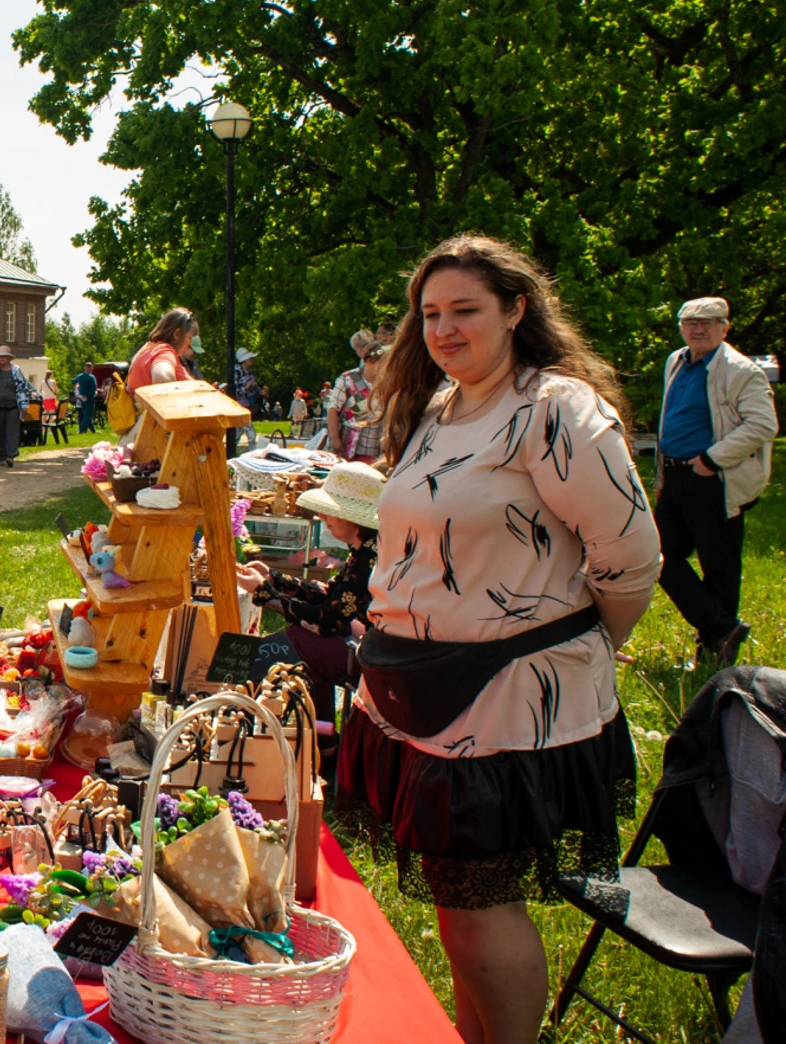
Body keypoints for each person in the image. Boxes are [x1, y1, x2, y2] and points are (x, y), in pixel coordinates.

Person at [339, 234, 660, 1044]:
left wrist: (574, 648)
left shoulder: (554, 408)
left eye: (465, 311)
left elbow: (629, 558)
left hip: (509, 699)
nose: (445, 329)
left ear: (516, 310)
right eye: (432, 314)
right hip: (425, 687)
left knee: (481, 913)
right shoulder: (441, 407)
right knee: (460, 909)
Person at [653, 295, 777, 669]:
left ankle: (712, 652)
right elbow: (669, 418)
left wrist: (711, 459)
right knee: (656, 554)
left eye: (709, 322)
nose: (699, 329)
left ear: (726, 327)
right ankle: (722, 628)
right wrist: (662, 476)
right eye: (691, 322)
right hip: (676, 474)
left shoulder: (741, 370)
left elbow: (763, 424)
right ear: (681, 327)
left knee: (717, 566)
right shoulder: (676, 360)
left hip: (715, 478)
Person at [236, 461, 383, 721]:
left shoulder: (370, 556)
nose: (322, 517)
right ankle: (321, 743)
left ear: (352, 516)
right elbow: (331, 595)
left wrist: (265, 593)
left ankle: (239, 705)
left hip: (381, 663)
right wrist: (275, 579)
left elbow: (326, 621)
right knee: (303, 644)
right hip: (373, 649)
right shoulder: (366, 549)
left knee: (301, 639)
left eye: (329, 511)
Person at [0, 345, 37, 466]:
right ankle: (0, 457)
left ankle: (11, 455)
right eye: (0, 356)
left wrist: (24, 405)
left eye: (5, 356)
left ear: (9, 358)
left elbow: (22, 388)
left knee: (12, 430)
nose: (2, 359)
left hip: (12, 405)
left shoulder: (15, 370)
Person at [325, 329, 374, 457]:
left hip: (376, 445)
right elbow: (333, 409)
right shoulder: (349, 377)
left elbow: (332, 408)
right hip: (351, 444)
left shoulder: (389, 379)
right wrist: (334, 438)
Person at [125, 308, 199, 391]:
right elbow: (162, 378)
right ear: (177, 334)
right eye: (189, 338)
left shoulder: (151, 348)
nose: (190, 343)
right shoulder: (164, 351)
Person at [72, 361, 99, 433]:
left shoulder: (80, 376)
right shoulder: (91, 377)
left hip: (82, 398)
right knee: (88, 415)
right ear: (90, 368)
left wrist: (79, 386)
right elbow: (93, 388)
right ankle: (81, 430)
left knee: (87, 414)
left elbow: (73, 381)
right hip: (89, 398)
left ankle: (93, 431)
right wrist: (88, 396)